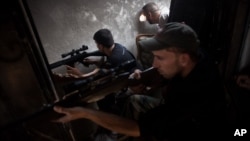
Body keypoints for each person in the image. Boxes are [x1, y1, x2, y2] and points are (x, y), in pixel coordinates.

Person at [52, 22, 228, 140]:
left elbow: (138, 127)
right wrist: (146, 80)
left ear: (183, 58)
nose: (153, 63)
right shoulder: (195, 54)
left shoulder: (194, 94)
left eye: (160, 57)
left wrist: (86, 113)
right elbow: (167, 76)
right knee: (134, 100)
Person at [136, 2, 169, 69]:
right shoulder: (159, 24)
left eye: (145, 16)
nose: (146, 20)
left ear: (149, 15)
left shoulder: (164, 17)